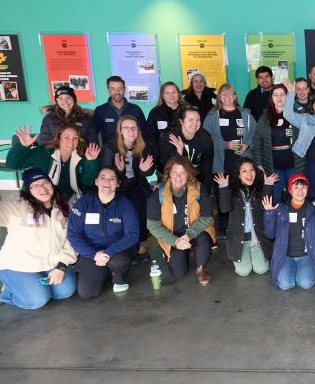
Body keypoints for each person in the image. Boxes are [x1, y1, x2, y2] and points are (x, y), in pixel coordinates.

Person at [0, 166, 77, 309]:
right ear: (28, 190)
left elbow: (72, 240)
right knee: (37, 300)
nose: (42, 188)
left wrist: (61, 266)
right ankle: (9, 291)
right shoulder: (16, 207)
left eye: (45, 183)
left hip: (51, 265)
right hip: (18, 266)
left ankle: (33, 285)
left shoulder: (65, 208)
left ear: (51, 184)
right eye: (35, 186)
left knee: (65, 291)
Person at [67, 167, 139, 298]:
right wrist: (94, 255)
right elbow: (73, 235)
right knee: (87, 293)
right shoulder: (83, 203)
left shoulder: (125, 204)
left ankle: (119, 276)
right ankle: (105, 271)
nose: (107, 181)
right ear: (96, 181)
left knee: (118, 262)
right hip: (92, 252)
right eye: (103, 178)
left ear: (118, 183)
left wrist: (108, 252)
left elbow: (132, 235)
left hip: (118, 250)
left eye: (112, 178)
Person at [146, 156, 216, 286]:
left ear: (189, 174)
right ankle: (176, 252)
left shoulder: (199, 188)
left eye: (183, 172)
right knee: (179, 272)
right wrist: (175, 241)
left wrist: (189, 234)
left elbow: (207, 217)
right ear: (169, 173)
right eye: (174, 172)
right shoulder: (159, 193)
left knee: (204, 238)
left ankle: (201, 268)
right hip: (173, 235)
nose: (178, 177)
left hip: (195, 231)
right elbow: (152, 225)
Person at [101, 115, 155, 258]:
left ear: (138, 130)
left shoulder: (143, 145)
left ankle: (142, 240)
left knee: (142, 205)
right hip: (117, 188)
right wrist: (118, 171)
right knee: (121, 211)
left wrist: (144, 171)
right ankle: (123, 242)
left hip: (136, 185)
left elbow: (151, 169)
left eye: (134, 128)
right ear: (120, 131)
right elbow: (106, 176)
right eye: (126, 128)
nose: (131, 131)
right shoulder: (111, 147)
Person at [263, 174, 315, 290]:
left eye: (303, 187)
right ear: (290, 190)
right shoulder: (281, 209)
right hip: (286, 256)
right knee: (285, 285)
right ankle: (294, 271)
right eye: (296, 187)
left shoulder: (313, 208)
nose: (300, 191)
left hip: (307, 255)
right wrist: (269, 214)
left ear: (307, 190)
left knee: (306, 283)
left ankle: (301, 272)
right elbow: (270, 234)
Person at [214, 158, 276, 277]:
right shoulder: (232, 190)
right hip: (239, 239)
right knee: (244, 271)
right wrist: (223, 187)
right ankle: (245, 254)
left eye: (252, 170)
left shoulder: (260, 188)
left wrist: (268, 185)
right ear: (238, 175)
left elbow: (266, 206)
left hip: (256, 238)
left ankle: (254, 252)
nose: (249, 174)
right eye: (244, 171)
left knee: (261, 270)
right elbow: (225, 209)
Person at [6, 125, 100, 202]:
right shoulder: (43, 151)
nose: (71, 141)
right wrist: (22, 146)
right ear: (59, 139)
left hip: (67, 200)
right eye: (66, 137)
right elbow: (12, 164)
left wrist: (91, 161)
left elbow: (88, 182)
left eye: (75, 138)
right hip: (40, 198)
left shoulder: (82, 156)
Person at [253, 84, 304, 203]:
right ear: (271, 98)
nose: (279, 97)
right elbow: (257, 141)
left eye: (282, 94)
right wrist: (258, 163)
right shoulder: (265, 117)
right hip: (273, 167)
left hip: (294, 165)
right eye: (275, 95)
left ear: (288, 96)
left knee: (295, 197)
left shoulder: (297, 115)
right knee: (274, 198)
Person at [203, 83, 256, 177]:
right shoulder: (212, 117)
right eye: (223, 93)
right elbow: (206, 139)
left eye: (230, 93)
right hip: (221, 164)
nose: (227, 96)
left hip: (244, 164)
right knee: (224, 186)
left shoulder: (246, 115)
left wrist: (247, 145)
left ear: (234, 96)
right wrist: (225, 144)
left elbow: (255, 134)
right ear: (219, 97)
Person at [158, 105, 214, 188]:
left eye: (197, 120)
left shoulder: (205, 137)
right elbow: (166, 166)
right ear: (181, 121)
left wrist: (205, 188)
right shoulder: (168, 137)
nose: (195, 124)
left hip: (195, 176)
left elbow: (207, 166)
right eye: (191, 120)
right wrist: (178, 152)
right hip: (172, 177)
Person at [92, 75, 147, 143]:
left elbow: (145, 133)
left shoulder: (136, 109)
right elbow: (92, 134)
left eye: (120, 88)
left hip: (133, 148)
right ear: (108, 91)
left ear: (124, 89)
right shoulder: (100, 111)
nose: (117, 92)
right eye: (113, 89)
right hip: (109, 148)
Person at [146, 81, 182, 158]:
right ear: (162, 95)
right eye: (167, 93)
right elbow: (150, 137)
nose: (171, 95)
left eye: (174, 92)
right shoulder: (155, 112)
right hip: (162, 156)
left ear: (178, 94)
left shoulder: (187, 110)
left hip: (184, 153)